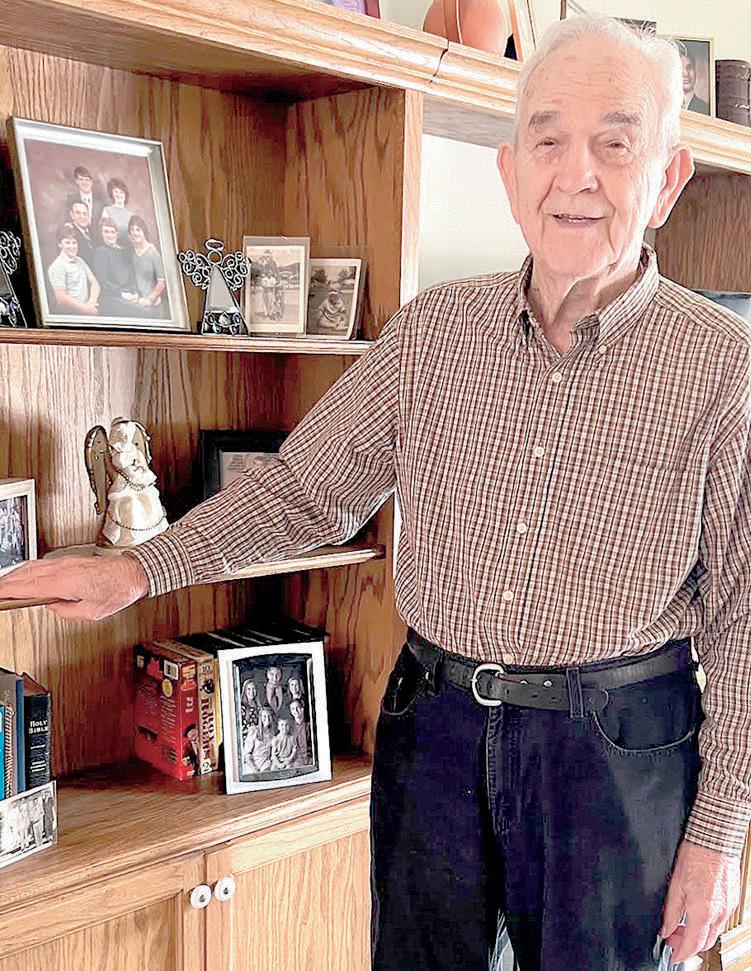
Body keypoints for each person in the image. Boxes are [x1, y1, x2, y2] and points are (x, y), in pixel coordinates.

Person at [2, 14, 750, 971]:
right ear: (510, 170)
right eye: (547, 140)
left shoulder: (722, 365)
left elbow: (741, 623)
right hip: (434, 726)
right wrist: (136, 570)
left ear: (667, 180)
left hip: (616, 748)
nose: (575, 175)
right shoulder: (429, 333)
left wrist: (717, 837)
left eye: (615, 144)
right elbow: (302, 491)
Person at [92, 216, 143, 317]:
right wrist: (121, 294)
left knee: (148, 308)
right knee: (143, 313)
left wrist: (135, 292)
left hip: (129, 295)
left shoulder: (124, 252)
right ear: (101, 234)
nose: (110, 235)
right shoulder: (100, 252)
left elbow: (132, 276)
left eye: (112, 232)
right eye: (106, 232)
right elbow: (103, 282)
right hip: (111, 297)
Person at [47, 224, 100, 316]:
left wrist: (91, 304)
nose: (72, 246)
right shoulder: (57, 266)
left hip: (87, 309)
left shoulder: (80, 261)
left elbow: (95, 284)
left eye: (74, 242)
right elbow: (61, 297)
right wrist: (85, 310)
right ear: (60, 244)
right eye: (67, 242)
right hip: (71, 314)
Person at [126, 215, 167, 314]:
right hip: (136, 303)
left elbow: (161, 282)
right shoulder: (130, 252)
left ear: (144, 232)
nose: (135, 233)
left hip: (152, 306)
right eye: (132, 229)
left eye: (138, 230)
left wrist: (150, 299)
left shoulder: (153, 253)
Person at [65, 165, 104, 229]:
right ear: (76, 181)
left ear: (91, 182)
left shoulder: (100, 203)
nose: (84, 183)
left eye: (87, 180)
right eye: (81, 179)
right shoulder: (70, 200)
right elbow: (67, 222)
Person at [679, 43, 710, 115]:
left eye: (689, 68)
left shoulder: (705, 109)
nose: (686, 74)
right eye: (680, 69)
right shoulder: (664, 106)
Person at [101, 177, 134, 243]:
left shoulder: (132, 215)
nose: (119, 195)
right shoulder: (107, 211)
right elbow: (104, 233)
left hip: (129, 245)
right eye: (116, 192)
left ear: (125, 194)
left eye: (121, 192)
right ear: (112, 194)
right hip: (113, 245)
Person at [66, 201, 96, 267]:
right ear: (72, 215)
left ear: (89, 215)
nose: (82, 216)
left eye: (85, 213)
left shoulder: (94, 232)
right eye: (78, 213)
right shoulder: (69, 233)